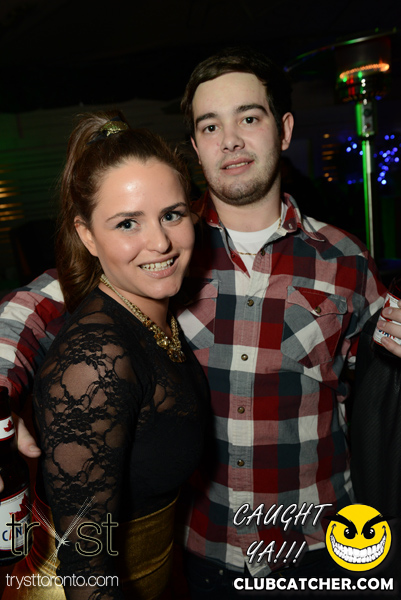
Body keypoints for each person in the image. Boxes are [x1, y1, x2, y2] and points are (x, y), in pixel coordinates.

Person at [0, 47, 399, 597]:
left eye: (248, 118)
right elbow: (33, 304)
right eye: (211, 126)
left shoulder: (346, 260)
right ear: (194, 146)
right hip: (207, 553)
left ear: (284, 130)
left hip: (323, 545)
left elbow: (381, 388)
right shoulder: (162, 253)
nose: (229, 140)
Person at [2, 111, 208, 600]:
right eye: (127, 223)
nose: (160, 242)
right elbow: (86, 567)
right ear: (88, 235)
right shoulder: (95, 358)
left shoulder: (153, 312)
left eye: (172, 214)